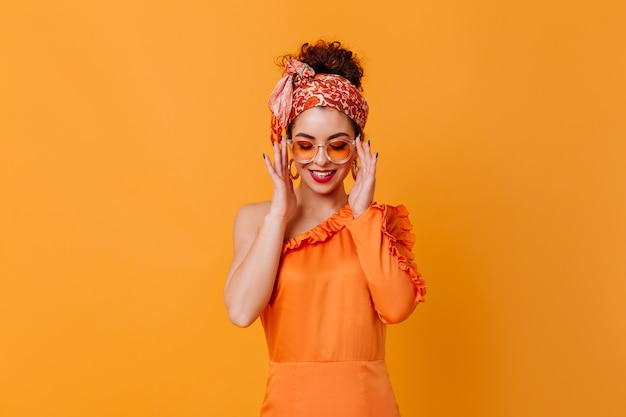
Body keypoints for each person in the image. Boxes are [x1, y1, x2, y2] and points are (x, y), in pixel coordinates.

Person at [224, 40, 426, 417]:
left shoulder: (375, 223)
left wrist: (362, 215)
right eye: (305, 145)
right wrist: (279, 214)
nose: (320, 160)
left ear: (358, 148)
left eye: (336, 146)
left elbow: (398, 308)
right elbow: (240, 311)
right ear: (286, 147)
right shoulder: (258, 220)